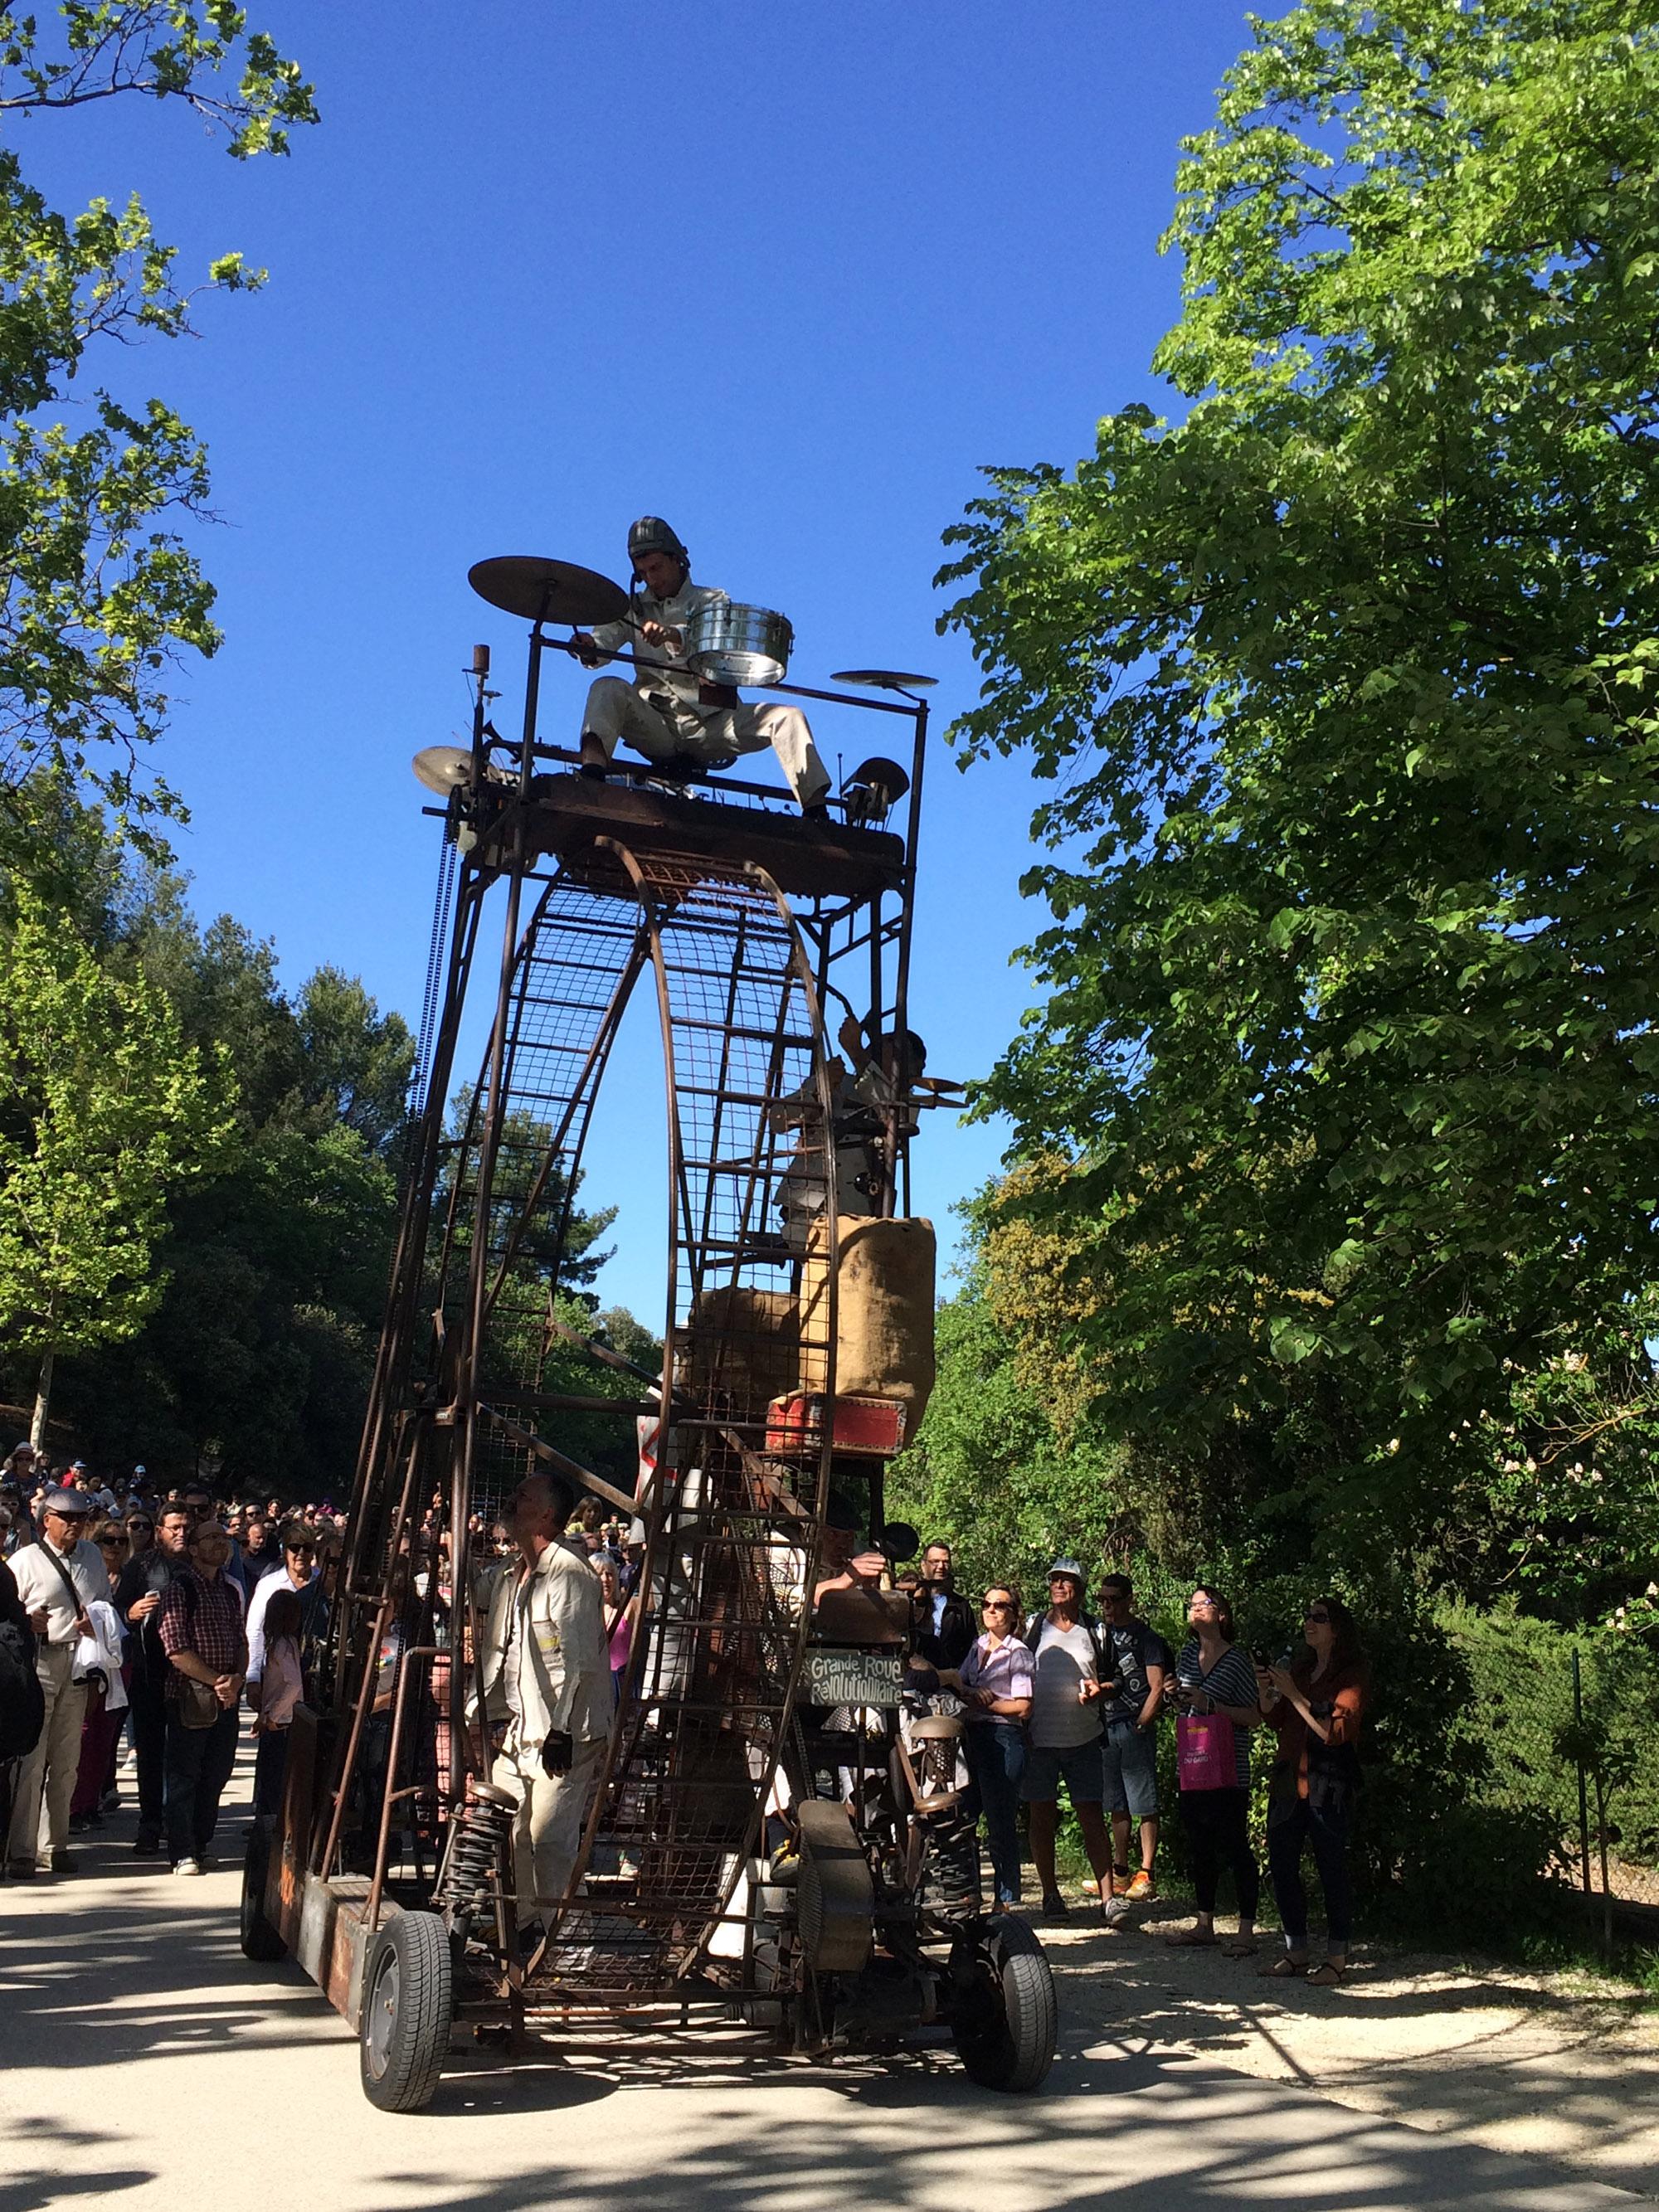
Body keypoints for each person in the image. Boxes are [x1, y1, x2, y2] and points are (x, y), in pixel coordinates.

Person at [570, 516, 831, 816]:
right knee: (606, 687)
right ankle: (590, 781)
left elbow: (712, 644)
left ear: (678, 560)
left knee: (788, 718)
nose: (651, 578)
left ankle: (817, 814)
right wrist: (589, 647)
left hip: (713, 725)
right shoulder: (632, 607)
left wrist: (673, 636)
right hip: (657, 725)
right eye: (643, 572)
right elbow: (604, 641)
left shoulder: (712, 599)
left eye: (656, 568)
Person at [474, 1473, 610, 1938]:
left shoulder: (568, 1575)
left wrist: (562, 1730)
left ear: (546, 1515)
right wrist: (486, 1710)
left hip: (567, 1733)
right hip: (524, 1729)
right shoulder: (514, 1574)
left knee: (549, 1840)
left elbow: (578, 1662)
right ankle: (526, 1922)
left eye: (524, 1496)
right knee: (508, 1829)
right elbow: (501, 1653)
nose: (513, 1499)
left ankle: (571, 1943)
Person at [1258, 1595, 1368, 1986]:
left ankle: (1336, 1959)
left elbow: (1332, 1731)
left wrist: (1294, 1696)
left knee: (1331, 1869)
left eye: (1319, 1618)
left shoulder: (1350, 1675)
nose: (1310, 1622)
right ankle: (1296, 1951)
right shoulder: (1300, 1670)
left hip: (1328, 1782)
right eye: (1307, 1615)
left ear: (1336, 1629)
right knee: (1282, 1864)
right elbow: (1271, 1718)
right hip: (1290, 1779)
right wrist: (1266, 1686)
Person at [6, 1486, 104, 1876]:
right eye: (67, 1517)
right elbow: (7, 1614)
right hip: (39, 1660)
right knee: (31, 1759)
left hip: (78, 1662)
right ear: (47, 1520)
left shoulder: (93, 1557)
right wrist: (29, 1621)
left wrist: (95, 1622)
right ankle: (22, 1849)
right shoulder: (24, 1561)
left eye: (80, 1518)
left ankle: (55, 1843)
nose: (75, 1524)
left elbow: (105, 1606)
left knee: (67, 1759)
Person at [1166, 1583, 1262, 1956]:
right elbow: (1186, 1708)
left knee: (1235, 1845)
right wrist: (1177, 1696)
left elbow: (1254, 1717)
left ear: (1221, 1613)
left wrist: (1212, 1703)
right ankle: (1204, 1923)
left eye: (1204, 1603)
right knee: (1200, 1845)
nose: (1196, 1609)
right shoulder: (1187, 1655)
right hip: (1194, 1764)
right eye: (1191, 1605)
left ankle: (1246, 1929)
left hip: (1228, 1768)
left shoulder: (1236, 1661)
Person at [1019, 1559, 1117, 1920]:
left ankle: (1108, 1900)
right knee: (1040, 1817)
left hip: (1085, 1738)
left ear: (1081, 1588)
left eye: (1067, 1580)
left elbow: (1116, 1681)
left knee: (1092, 1815)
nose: (1060, 1585)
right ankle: (1050, 1895)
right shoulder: (1031, 1627)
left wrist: (1099, 1690)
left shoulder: (1097, 1631)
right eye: (1054, 1580)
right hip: (1039, 1740)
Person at [157, 1518, 248, 1875]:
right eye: (211, 1538)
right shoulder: (180, 1588)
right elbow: (176, 1648)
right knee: (184, 1775)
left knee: (217, 1772)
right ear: (193, 1549)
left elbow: (241, 1640)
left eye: (223, 1538)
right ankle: (182, 1852)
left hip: (226, 1697)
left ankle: (202, 1842)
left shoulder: (229, 1589)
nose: (220, 1543)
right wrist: (216, 1681)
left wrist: (237, 1679)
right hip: (190, 1695)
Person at [942, 1582, 1034, 1911]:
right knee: (964, 1816)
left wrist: (987, 1704)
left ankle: (1005, 1899)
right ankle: (968, 1892)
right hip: (972, 1739)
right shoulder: (976, 1647)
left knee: (1000, 1821)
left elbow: (1023, 1707)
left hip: (1003, 1739)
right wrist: (970, 1695)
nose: (991, 1610)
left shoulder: (1019, 1653)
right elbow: (961, 1685)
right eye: (986, 1604)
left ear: (1013, 1614)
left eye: (1000, 1605)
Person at [115, 1501, 192, 1855]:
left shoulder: (198, 1566)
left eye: (185, 1527)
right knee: (150, 1753)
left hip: (192, 1676)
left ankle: (184, 1827)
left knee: (186, 1757)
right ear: (159, 1530)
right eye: (174, 1527)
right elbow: (116, 1613)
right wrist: (130, 1613)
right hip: (150, 1673)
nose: (181, 1533)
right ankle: (150, 1822)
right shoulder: (140, 1566)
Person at [1097, 1571, 1170, 1904]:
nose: (1107, 1606)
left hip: (1133, 1726)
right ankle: (1120, 1871)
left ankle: (1147, 1872)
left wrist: (1143, 1722)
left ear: (1129, 1600)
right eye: (1102, 1599)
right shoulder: (1098, 1635)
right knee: (1116, 1803)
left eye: (1113, 1599)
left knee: (1144, 1801)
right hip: (1105, 1727)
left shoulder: (1146, 1638)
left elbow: (1157, 1685)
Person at [248, 1584, 304, 1816]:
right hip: (276, 1720)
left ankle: (269, 1826)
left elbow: (294, 1683)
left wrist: (272, 1716)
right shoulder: (284, 1643)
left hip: (281, 1723)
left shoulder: (282, 1646)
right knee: (269, 1778)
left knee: (273, 1781)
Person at [246, 1520, 323, 1683]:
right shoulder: (268, 1585)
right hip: (277, 1675)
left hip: (316, 1674)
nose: (301, 1553)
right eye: (295, 1547)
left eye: (307, 1548)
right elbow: (255, 1632)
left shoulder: (324, 1583)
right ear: (285, 1552)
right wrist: (253, 1677)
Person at [912, 1540, 975, 1672]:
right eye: (935, 1561)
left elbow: (971, 1647)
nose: (941, 1566)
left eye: (946, 1562)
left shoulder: (961, 1606)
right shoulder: (910, 1602)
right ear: (923, 1565)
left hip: (951, 1680)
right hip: (914, 1676)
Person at [596, 1553, 638, 1706]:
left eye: (609, 1574)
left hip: (620, 1684)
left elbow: (651, 1603)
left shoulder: (627, 1606)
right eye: (599, 1574)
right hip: (594, 1682)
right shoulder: (585, 1610)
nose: (605, 1579)